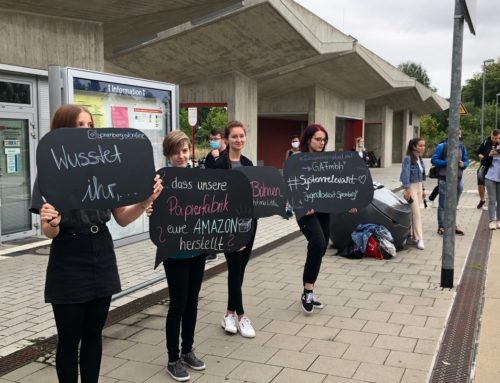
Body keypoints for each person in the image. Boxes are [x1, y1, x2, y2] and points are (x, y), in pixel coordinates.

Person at [31, 104, 163, 383]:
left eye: (90, 125)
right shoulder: (49, 170)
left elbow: (123, 219)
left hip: (101, 251)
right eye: (81, 125)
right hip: (68, 255)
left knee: (93, 334)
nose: (88, 131)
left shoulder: (104, 168)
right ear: (64, 129)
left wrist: (145, 200)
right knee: (69, 339)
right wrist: (51, 223)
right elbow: (48, 232)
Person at [158, 130, 207, 382]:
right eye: (176, 151)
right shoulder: (161, 179)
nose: (181, 155)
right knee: (177, 304)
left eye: (185, 150)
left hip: (197, 249)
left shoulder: (199, 178)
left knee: (192, 301)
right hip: (174, 251)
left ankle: (188, 350)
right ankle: (173, 358)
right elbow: (153, 210)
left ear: (190, 152)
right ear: (168, 154)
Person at [214, 120, 257, 338]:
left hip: (249, 224)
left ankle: (228, 314)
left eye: (242, 136)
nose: (238, 140)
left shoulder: (249, 164)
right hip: (229, 227)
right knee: (234, 268)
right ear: (226, 139)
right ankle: (241, 315)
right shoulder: (218, 164)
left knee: (240, 270)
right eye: (234, 137)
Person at [431, 130, 469, 235]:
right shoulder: (442, 146)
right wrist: (448, 162)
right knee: (443, 204)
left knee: (454, 205)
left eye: (460, 134)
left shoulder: (462, 147)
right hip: (445, 179)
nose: (458, 136)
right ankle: (442, 226)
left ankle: (452, 225)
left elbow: (466, 161)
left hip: (458, 180)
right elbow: (434, 160)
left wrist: (463, 164)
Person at [203, 127, 226, 262]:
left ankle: (214, 250)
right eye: (211, 139)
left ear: (223, 139)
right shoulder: (209, 155)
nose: (213, 142)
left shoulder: (226, 156)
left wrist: (217, 157)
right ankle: (211, 249)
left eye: (216, 139)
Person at [400, 138, 427, 250]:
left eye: (423, 145)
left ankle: (410, 236)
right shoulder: (408, 159)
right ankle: (419, 238)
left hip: (419, 187)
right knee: (416, 214)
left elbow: (421, 176)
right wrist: (407, 189)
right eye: (420, 145)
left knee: (412, 213)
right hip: (411, 187)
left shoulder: (419, 158)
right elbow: (405, 174)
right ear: (414, 146)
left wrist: (423, 189)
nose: (422, 148)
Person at [476, 130, 500, 209]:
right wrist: (481, 156)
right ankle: (482, 199)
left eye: (496, 138)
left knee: (492, 185)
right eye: (493, 138)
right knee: (480, 183)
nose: (494, 140)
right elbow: (479, 152)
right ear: (491, 135)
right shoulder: (486, 142)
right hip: (485, 165)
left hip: (495, 168)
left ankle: (493, 201)